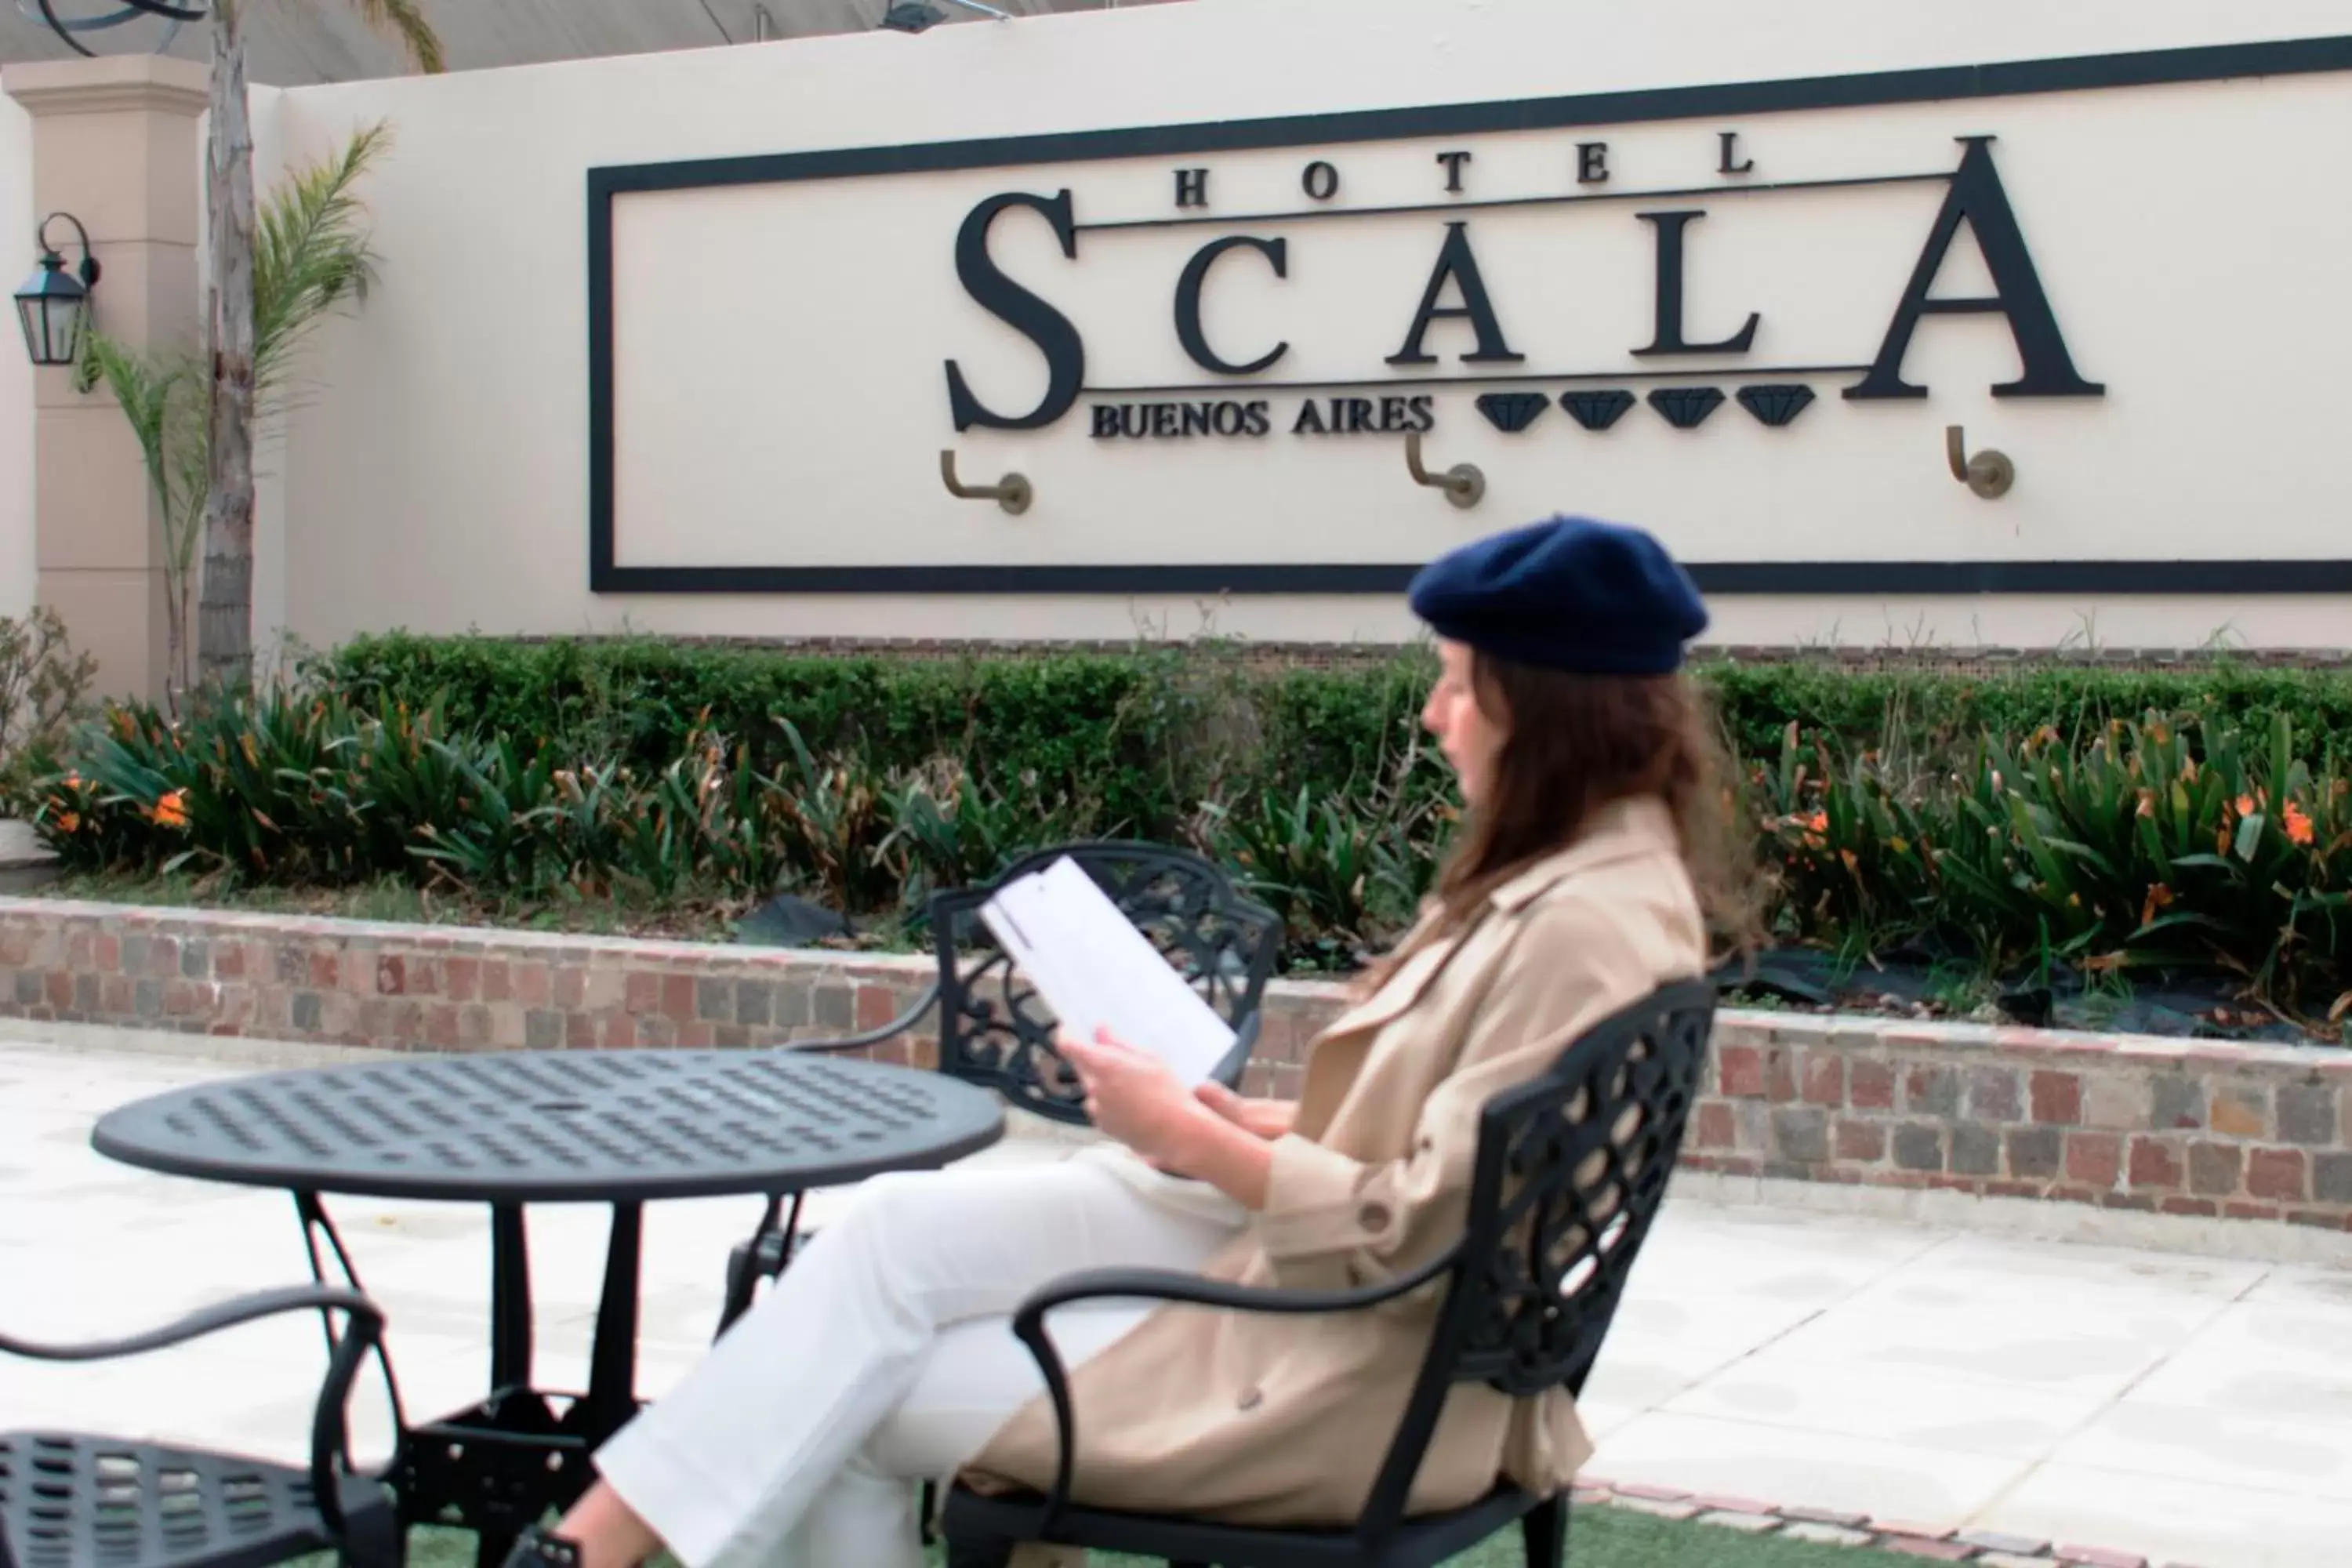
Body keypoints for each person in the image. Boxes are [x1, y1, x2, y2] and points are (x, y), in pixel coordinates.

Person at [502, 515, 1752, 1568]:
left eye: (1456, 684)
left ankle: (589, 1549)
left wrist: (1196, 1146)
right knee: (887, 1240)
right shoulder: (1576, 877)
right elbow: (1433, 1158)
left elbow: (1417, 1228)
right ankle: (595, 1542)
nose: (1436, 718)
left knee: (863, 1395)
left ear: (1538, 711)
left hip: (1358, 1363)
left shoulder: (1582, 926)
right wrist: (1230, 1124)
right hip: (1333, 1285)